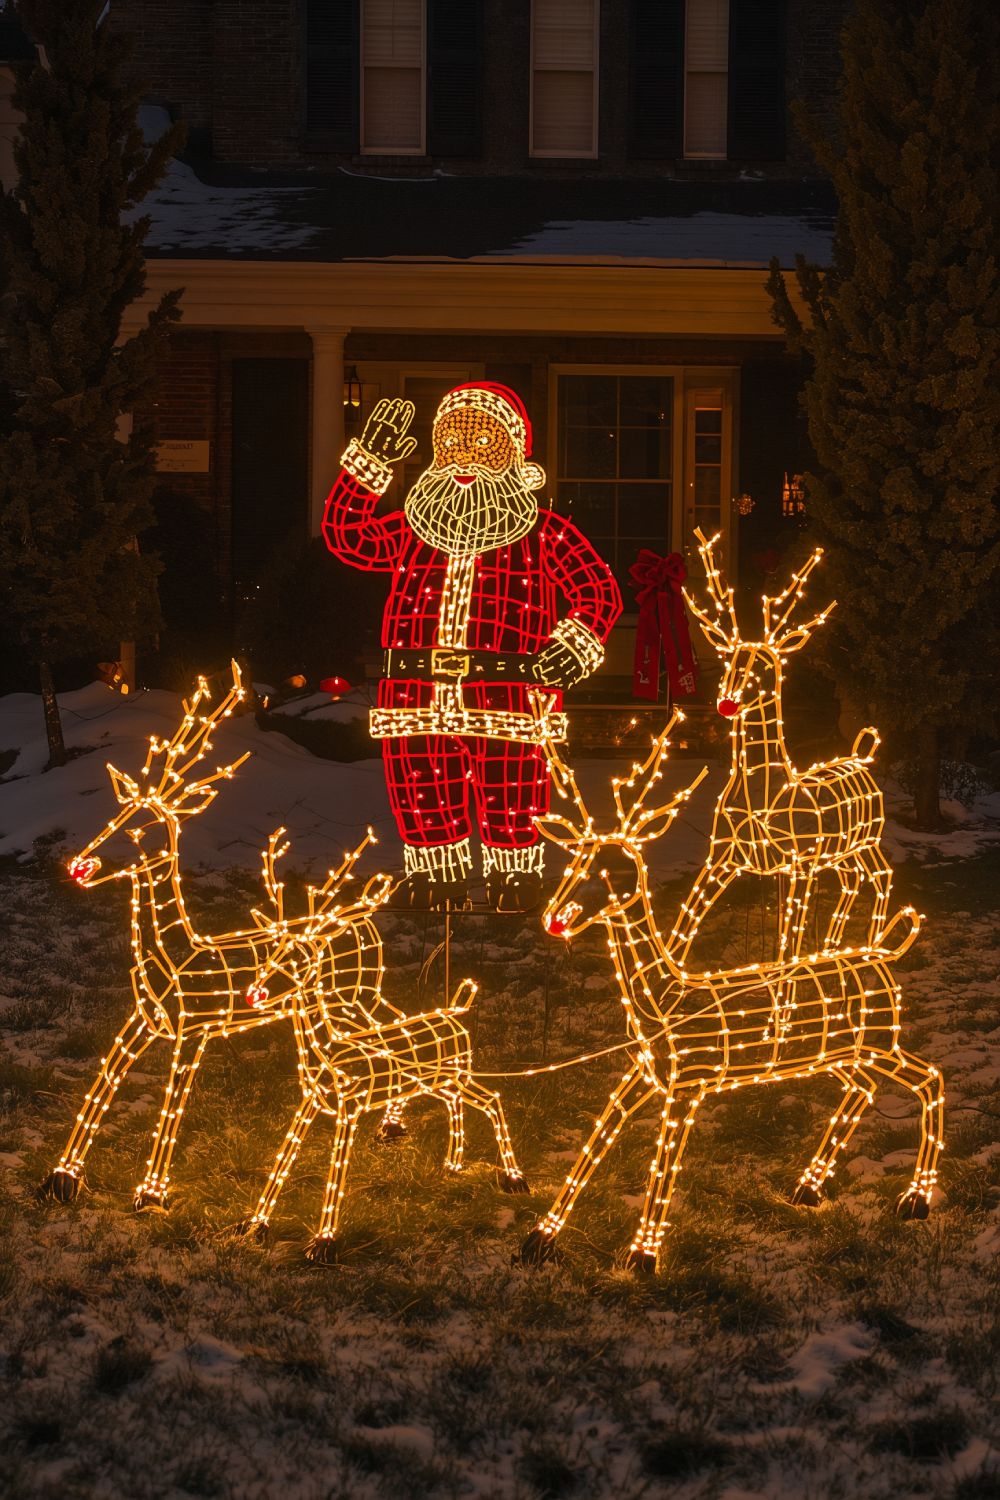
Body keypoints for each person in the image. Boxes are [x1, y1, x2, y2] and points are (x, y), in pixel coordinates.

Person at [323, 383, 622, 910]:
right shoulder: (414, 532)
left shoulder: (542, 533)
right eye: (452, 443)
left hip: (507, 694)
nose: (465, 458)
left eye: (483, 443)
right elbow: (348, 534)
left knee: (513, 793)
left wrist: (573, 644)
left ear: (513, 454)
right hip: (416, 695)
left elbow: (595, 591)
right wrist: (367, 463)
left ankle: (515, 880)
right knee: (423, 791)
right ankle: (438, 879)